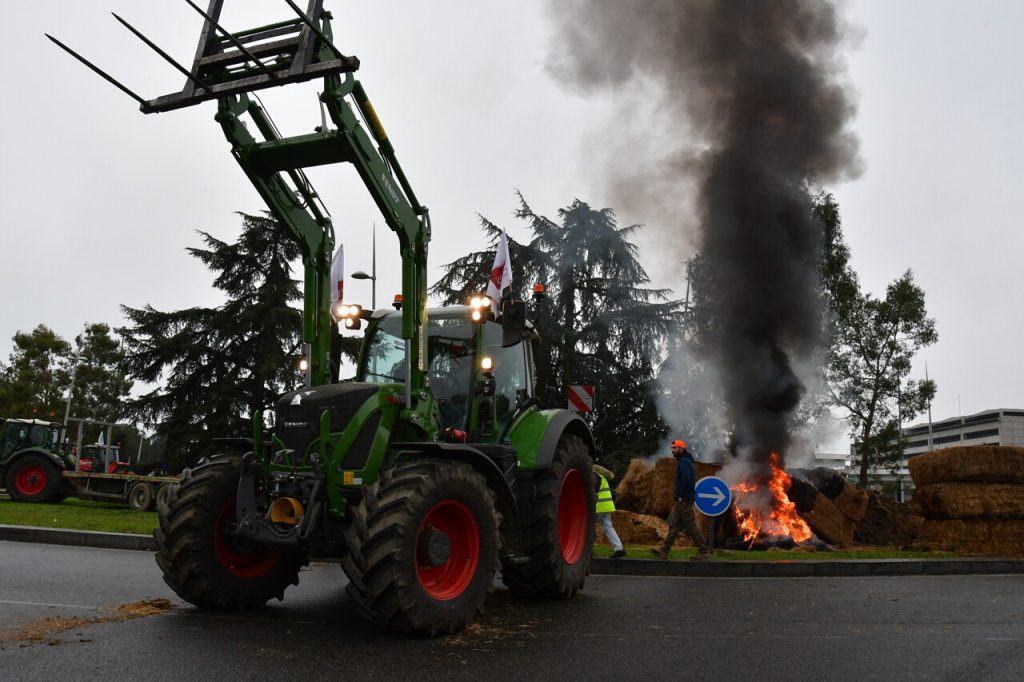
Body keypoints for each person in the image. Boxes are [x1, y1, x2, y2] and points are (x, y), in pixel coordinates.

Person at [651, 439, 710, 561]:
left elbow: (686, 479)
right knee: (675, 526)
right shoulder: (686, 461)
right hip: (684, 499)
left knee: (691, 525)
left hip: (684, 499)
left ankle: (704, 550)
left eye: (675, 448)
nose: (672, 451)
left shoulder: (683, 462)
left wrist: (680, 495)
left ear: (681, 449)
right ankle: (664, 550)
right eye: (672, 448)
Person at [594, 461, 626, 559]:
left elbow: (593, 492)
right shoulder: (602, 477)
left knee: (587, 526)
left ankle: (587, 551)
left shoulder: (594, 476)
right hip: (606, 506)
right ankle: (619, 549)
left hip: (599, 506)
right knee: (608, 527)